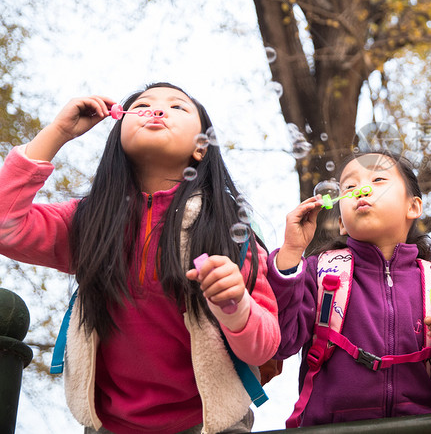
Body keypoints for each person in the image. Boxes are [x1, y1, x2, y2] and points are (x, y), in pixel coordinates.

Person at [0, 83, 280, 434]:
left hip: (209, 424)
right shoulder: (89, 221)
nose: (157, 110)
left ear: (201, 148)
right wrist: (57, 133)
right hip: (110, 427)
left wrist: (236, 305)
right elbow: (5, 226)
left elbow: (264, 347)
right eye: (143, 105)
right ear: (118, 136)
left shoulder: (227, 228)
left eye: (178, 107)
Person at [267, 150, 431, 426]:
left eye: (377, 179)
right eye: (349, 187)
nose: (360, 191)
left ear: (413, 207)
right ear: (341, 222)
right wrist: (292, 251)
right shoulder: (320, 272)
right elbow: (281, 342)